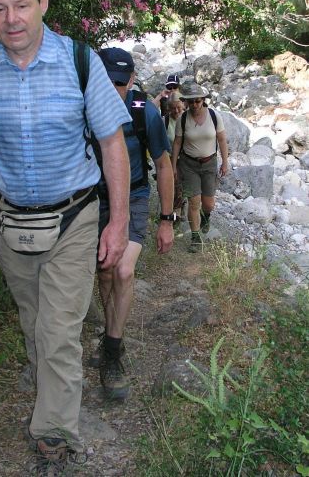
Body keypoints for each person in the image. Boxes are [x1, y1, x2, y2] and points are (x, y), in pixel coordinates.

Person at [0, 0, 132, 474]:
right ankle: (48, 381)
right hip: (9, 223)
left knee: (60, 330)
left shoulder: (80, 62)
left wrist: (117, 222)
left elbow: (112, 143)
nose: (12, 19)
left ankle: (53, 437)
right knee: (34, 322)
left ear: (43, 3)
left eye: (22, 5)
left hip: (74, 218)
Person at [93, 48, 175, 399]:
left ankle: (113, 351)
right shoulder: (84, 106)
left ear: (131, 80)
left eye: (120, 82)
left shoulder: (144, 111)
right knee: (105, 272)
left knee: (124, 270)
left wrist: (167, 220)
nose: (114, 90)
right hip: (96, 199)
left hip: (135, 196)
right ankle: (110, 332)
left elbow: (164, 164)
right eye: (107, 81)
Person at [171, 83, 229, 252]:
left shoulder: (214, 116)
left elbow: (222, 140)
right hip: (188, 165)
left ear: (203, 100)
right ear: (186, 102)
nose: (194, 105)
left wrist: (225, 162)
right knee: (193, 202)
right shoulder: (183, 119)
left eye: (197, 101)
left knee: (208, 203)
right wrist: (173, 166)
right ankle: (195, 238)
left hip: (209, 164)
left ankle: (206, 216)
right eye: (191, 102)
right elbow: (177, 143)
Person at [164, 92, 186, 221]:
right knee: (175, 183)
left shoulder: (188, 118)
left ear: (183, 105)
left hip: (187, 158)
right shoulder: (165, 121)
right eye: (173, 108)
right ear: (168, 108)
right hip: (170, 157)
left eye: (178, 107)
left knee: (182, 186)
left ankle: (179, 210)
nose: (176, 111)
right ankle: (175, 212)